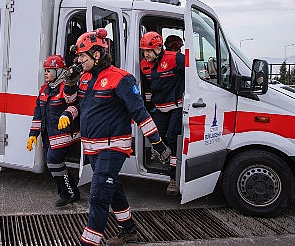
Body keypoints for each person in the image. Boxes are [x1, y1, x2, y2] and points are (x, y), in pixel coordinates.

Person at [59, 29, 171, 246]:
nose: (79, 60)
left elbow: (140, 112)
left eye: (83, 56)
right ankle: (129, 230)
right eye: (79, 56)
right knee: (112, 187)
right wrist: (71, 82)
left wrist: (157, 142)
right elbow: (72, 101)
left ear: (97, 54)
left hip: (113, 147)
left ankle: (88, 243)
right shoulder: (84, 78)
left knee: (99, 195)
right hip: (92, 148)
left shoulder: (121, 79)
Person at [26, 54, 81, 207]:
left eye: (49, 70)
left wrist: (67, 115)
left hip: (62, 135)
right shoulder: (44, 89)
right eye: (45, 70)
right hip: (48, 135)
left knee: (53, 162)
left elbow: (75, 105)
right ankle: (72, 192)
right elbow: (38, 114)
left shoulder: (67, 87)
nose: (46, 73)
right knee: (54, 163)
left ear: (59, 71)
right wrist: (33, 135)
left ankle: (67, 194)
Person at [139, 32, 185, 195]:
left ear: (159, 48)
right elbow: (147, 87)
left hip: (176, 107)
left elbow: (192, 74)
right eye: (144, 51)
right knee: (154, 135)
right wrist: (148, 107)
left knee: (172, 138)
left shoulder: (175, 58)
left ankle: (173, 179)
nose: (146, 54)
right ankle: (160, 152)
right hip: (159, 108)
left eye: (149, 51)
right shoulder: (144, 65)